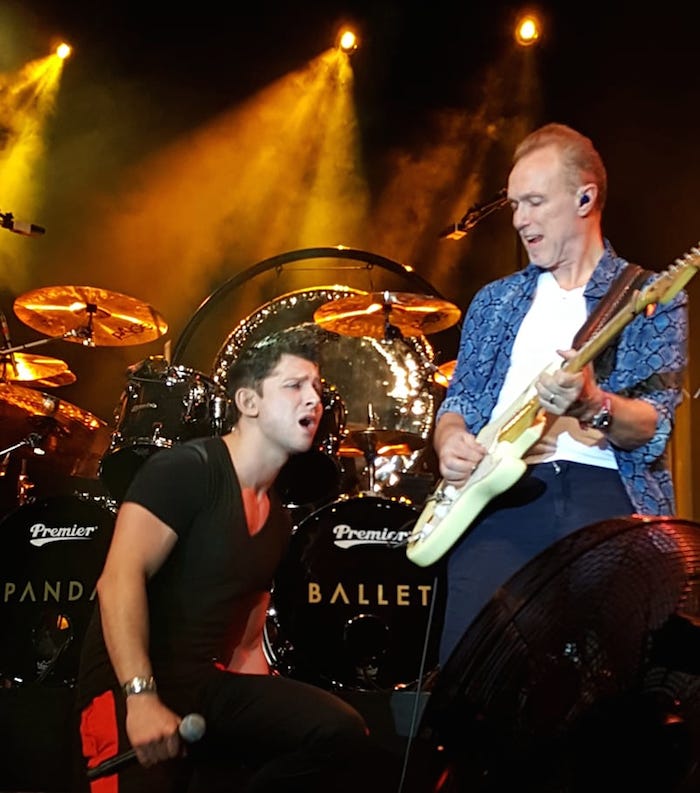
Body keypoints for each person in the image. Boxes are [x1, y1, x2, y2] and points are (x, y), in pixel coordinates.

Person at [76, 325, 381, 793]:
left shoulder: (277, 517)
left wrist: (264, 717)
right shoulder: (186, 470)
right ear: (248, 402)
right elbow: (117, 581)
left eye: (316, 388)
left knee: (337, 731)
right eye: (294, 385)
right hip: (127, 687)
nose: (313, 399)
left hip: (205, 689)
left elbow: (246, 644)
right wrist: (141, 697)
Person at [434, 122, 689, 665]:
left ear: (584, 199)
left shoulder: (648, 297)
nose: (519, 219)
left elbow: (654, 424)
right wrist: (449, 439)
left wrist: (593, 404)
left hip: (602, 494)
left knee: (607, 673)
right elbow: (459, 400)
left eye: (534, 202)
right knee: (471, 664)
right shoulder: (495, 301)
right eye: (514, 205)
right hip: (499, 497)